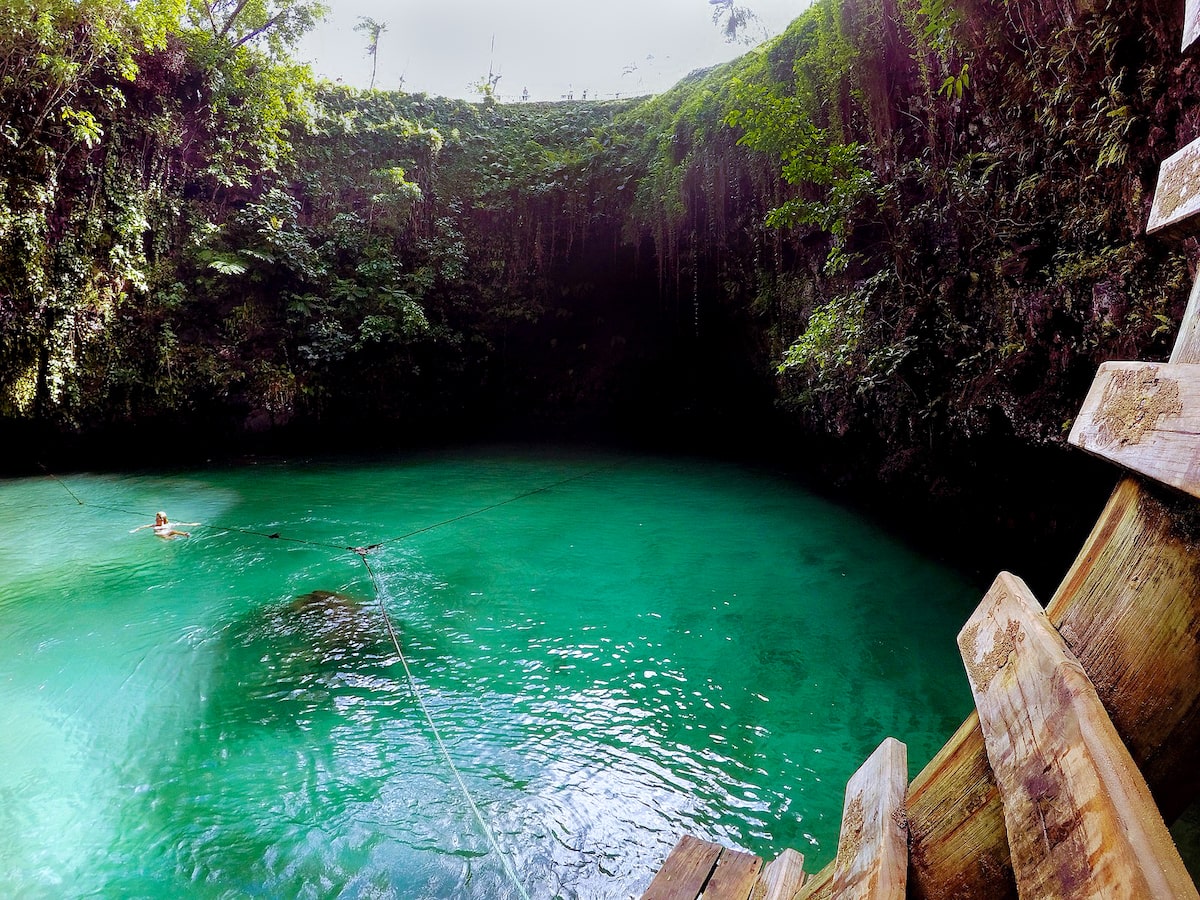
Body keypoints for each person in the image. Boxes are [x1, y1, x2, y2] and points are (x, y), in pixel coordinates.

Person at [131, 511, 198, 539]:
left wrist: (192, 524)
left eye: (157, 519)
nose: (155, 520)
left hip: (168, 533)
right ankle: (173, 538)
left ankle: (185, 534)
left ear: (162, 520)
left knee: (173, 531)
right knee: (159, 534)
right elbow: (143, 527)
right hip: (162, 535)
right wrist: (135, 530)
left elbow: (180, 524)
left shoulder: (168, 524)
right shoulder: (154, 525)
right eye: (156, 518)